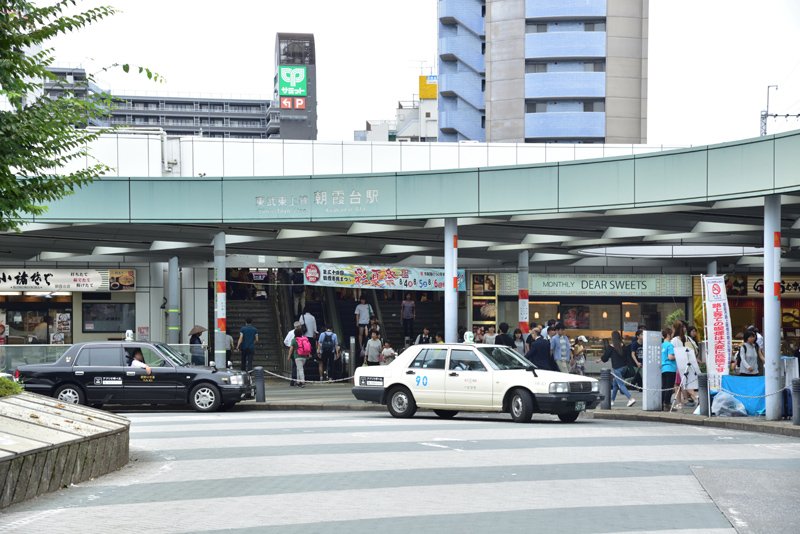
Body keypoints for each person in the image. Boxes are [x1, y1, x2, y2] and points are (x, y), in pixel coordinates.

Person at [601, 331, 636, 407]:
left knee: (621, 384)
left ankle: (630, 398)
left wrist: (601, 358)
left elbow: (605, 358)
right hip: (624, 367)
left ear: (612, 338)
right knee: (615, 384)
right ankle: (612, 401)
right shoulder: (623, 345)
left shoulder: (611, 347)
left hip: (617, 369)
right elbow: (627, 357)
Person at [661, 327, 677, 410]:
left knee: (664, 387)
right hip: (670, 368)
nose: (672, 335)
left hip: (663, 368)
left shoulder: (661, 345)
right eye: (672, 334)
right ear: (668, 335)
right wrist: (677, 355)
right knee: (669, 387)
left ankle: (662, 403)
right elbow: (670, 357)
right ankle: (667, 404)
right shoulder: (670, 345)